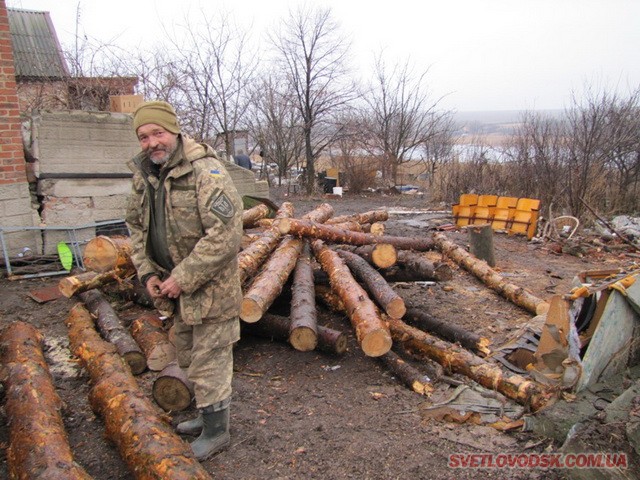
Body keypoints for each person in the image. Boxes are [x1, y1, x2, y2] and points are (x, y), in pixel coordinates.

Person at [125, 100, 244, 461]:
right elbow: (134, 227)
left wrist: (184, 277)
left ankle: (217, 431)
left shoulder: (206, 172)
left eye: (157, 133)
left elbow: (225, 234)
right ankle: (207, 417)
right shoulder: (145, 174)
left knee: (210, 361)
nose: (151, 142)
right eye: (143, 136)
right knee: (190, 356)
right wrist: (146, 271)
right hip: (172, 289)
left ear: (174, 131)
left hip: (210, 290)